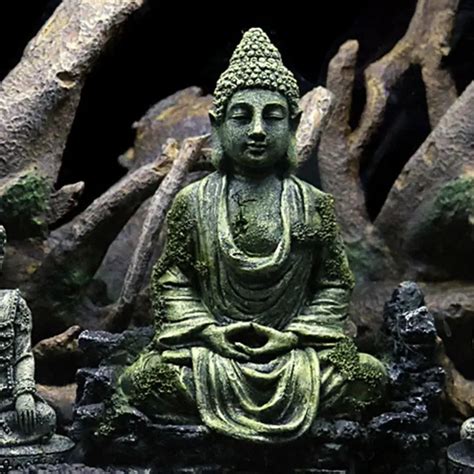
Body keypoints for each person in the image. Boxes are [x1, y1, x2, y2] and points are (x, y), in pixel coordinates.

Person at [110, 28, 387, 444]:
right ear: (218, 125)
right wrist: (209, 331)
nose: (257, 130)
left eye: (272, 117)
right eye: (242, 117)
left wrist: (292, 335)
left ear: (293, 125)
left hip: (294, 355)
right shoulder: (194, 201)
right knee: (146, 380)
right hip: (214, 355)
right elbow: (173, 281)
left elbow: (333, 284)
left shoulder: (313, 204)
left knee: (369, 377)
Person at [0, 225, 56, 446]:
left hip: (5, 403)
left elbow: (23, 355)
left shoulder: (13, 304)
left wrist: (24, 394)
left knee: (46, 418)